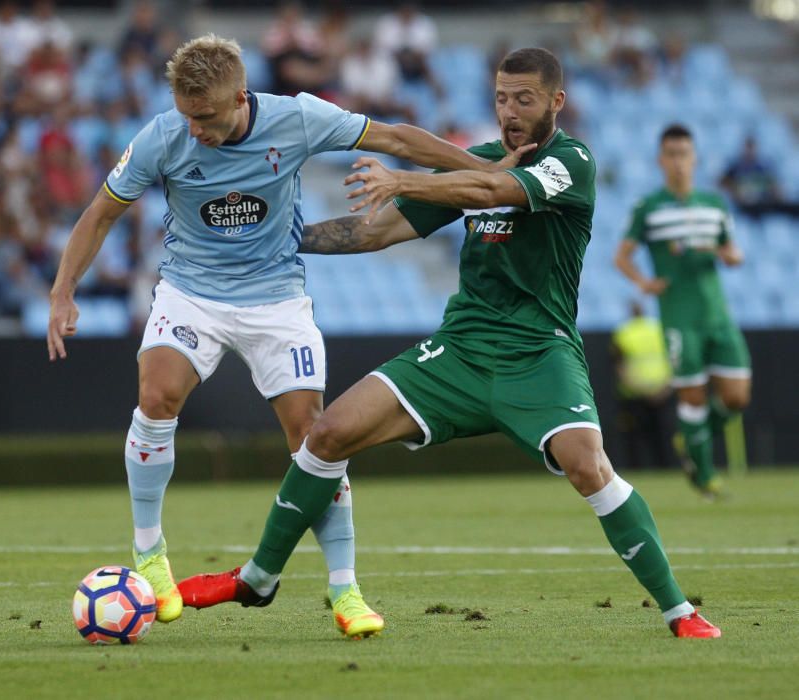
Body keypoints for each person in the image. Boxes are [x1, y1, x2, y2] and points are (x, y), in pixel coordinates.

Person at [177, 48, 721, 640]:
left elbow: (492, 191)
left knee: (589, 467)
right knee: (327, 435)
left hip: (538, 353)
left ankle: (679, 611)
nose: (509, 112)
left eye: (525, 99)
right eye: (501, 98)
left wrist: (402, 177)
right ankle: (259, 578)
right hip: (459, 350)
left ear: (556, 103)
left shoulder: (572, 162)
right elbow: (373, 230)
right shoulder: (480, 162)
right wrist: (277, 241)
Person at [46, 34, 524, 638]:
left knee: (315, 438)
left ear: (240, 98)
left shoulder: (296, 118)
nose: (194, 130)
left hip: (276, 299)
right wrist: (63, 291)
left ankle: (345, 590)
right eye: (186, 115)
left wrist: (488, 170)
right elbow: (100, 213)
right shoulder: (162, 137)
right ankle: (149, 553)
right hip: (192, 292)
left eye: (207, 118)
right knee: (156, 394)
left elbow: (398, 138)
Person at [615, 124, 750, 498]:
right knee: (692, 396)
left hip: (717, 313)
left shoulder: (714, 204)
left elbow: (733, 251)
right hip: (679, 316)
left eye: (684, 154)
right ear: (661, 160)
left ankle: (692, 439)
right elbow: (621, 257)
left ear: (695, 158)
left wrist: (731, 255)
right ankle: (704, 475)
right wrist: (643, 282)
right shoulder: (649, 208)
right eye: (671, 154)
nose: (678, 162)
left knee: (737, 397)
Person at [610, 300, 673, 469]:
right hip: (660, 391)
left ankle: (637, 469)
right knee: (660, 435)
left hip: (634, 393)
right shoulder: (659, 329)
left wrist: (638, 387)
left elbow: (619, 364)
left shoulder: (623, 332)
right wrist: (666, 386)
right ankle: (664, 468)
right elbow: (672, 359)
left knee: (634, 436)